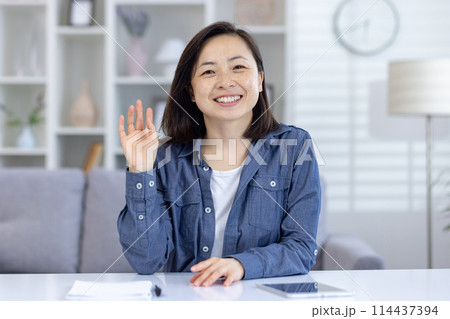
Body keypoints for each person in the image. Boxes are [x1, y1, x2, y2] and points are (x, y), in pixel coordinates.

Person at [117, 21, 321, 287]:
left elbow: (302, 249)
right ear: (190, 91)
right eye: (209, 71)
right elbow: (146, 261)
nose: (226, 82)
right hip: (186, 302)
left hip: (263, 302)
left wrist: (241, 265)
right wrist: (141, 171)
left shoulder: (295, 146)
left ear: (259, 80)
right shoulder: (165, 159)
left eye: (238, 67)